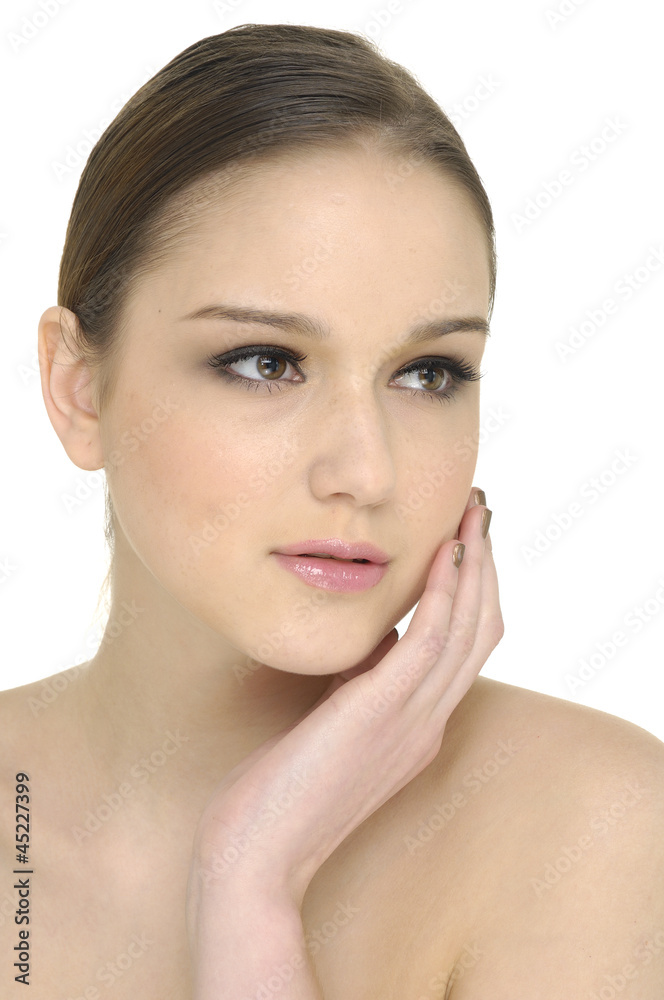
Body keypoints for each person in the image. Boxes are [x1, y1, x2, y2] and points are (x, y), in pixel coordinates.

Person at [1, 21, 663, 999]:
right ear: (78, 388)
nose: (367, 468)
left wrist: (247, 887)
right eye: (265, 362)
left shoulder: (592, 820)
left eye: (427, 372)